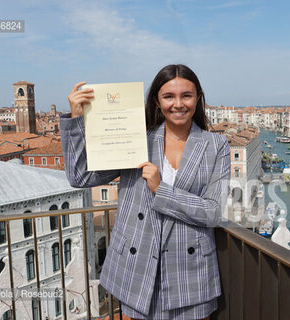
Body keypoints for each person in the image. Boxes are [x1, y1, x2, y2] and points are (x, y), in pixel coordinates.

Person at [60, 64, 231, 320]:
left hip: (190, 274)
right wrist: (76, 120)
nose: (178, 104)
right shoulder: (135, 139)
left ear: (198, 98)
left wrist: (161, 190)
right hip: (137, 270)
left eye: (186, 95)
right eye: (169, 96)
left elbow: (213, 212)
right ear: (156, 101)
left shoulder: (216, 145)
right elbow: (80, 176)